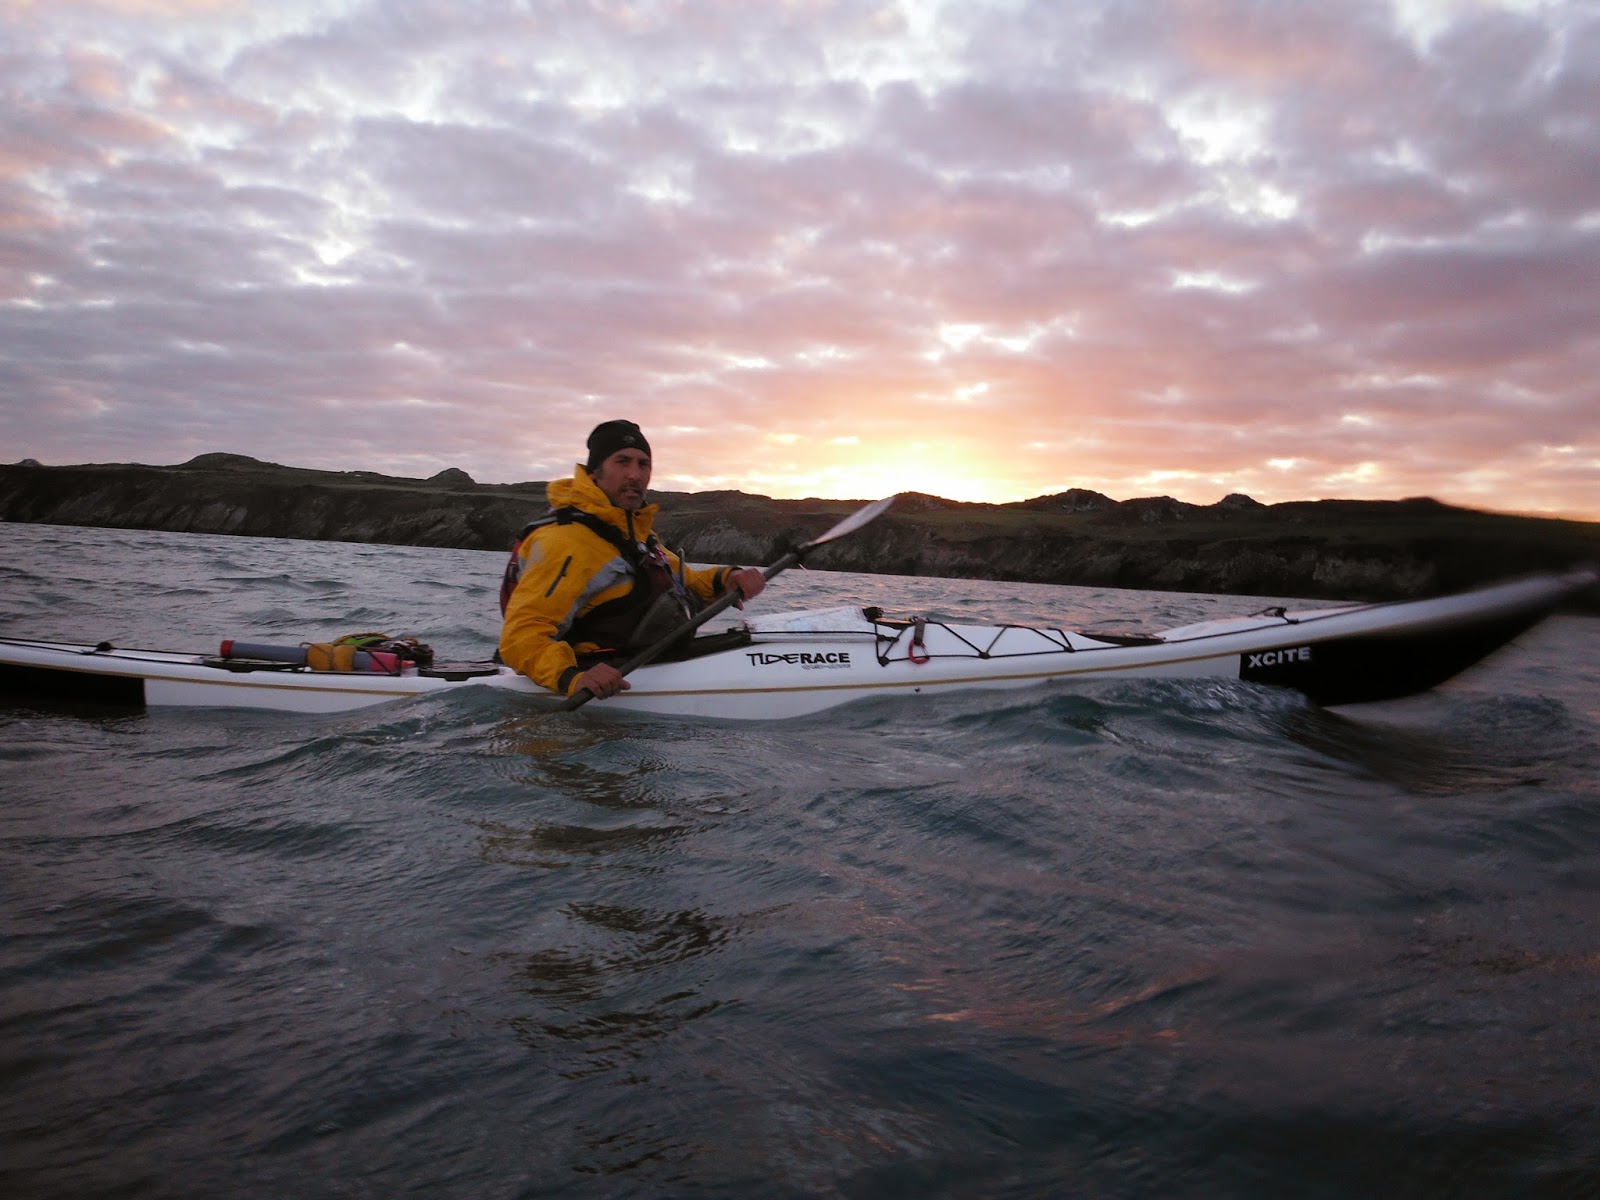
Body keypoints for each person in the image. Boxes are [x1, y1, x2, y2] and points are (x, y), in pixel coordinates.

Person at [498, 420, 766, 699]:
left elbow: (688, 583)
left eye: (643, 464)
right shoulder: (565, 542)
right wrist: (573, 678)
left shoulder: (636, 537)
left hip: (640, 671)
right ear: (595, 472)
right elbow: (522, 635)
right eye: (622, 462)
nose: (634, 475)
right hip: (588, 699)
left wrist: (730, 578)